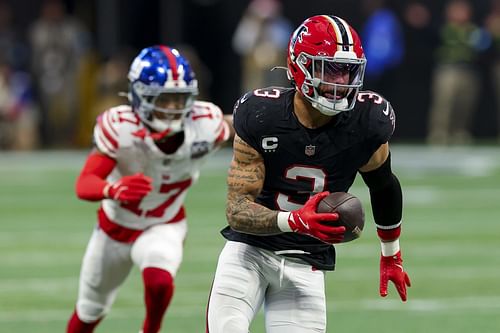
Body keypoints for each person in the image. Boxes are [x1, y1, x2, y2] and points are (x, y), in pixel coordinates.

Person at [206, 15, 411, 333]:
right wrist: (295, 219)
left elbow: (383, 184)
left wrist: (391, 254)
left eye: (347, 70)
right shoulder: (263, 115)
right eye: (329, 68)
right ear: (299, 66)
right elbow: (237, 211)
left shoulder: (366, 122)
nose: (340, 82)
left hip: (307, 260)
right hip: (250, 251)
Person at [66, 45, 232, 333]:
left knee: (159, 281)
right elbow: (85, 183)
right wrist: (114, 189)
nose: (172, 108)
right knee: (89, 310)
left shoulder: (205, 124)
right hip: (115, 228)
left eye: (179, 99)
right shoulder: (121, 127)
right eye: (164, 99)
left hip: (163, 222)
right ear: (140, 95)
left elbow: (243, 125)